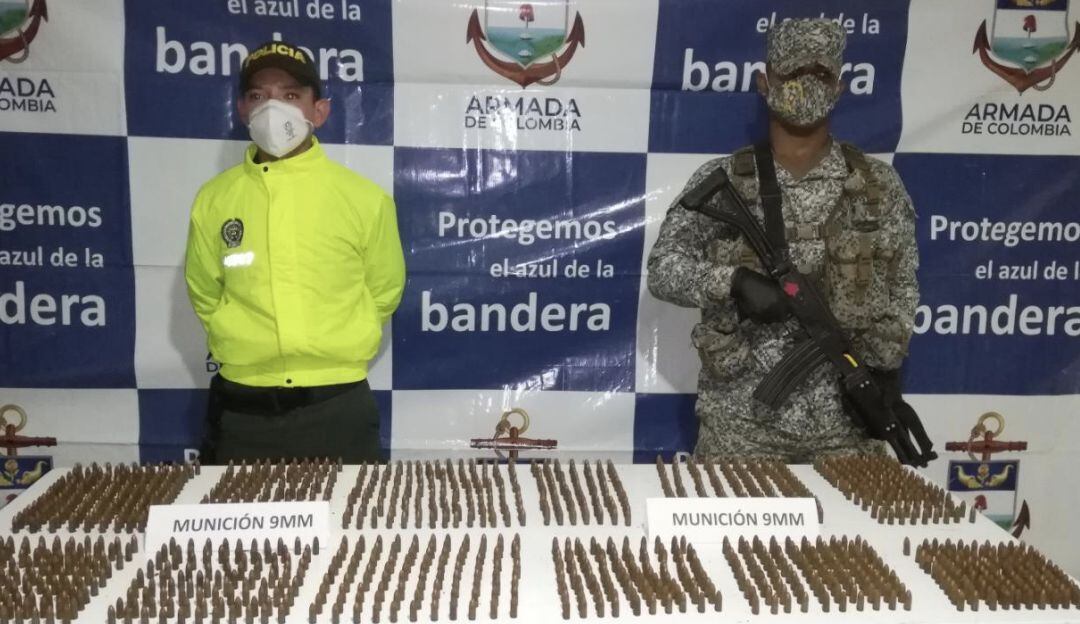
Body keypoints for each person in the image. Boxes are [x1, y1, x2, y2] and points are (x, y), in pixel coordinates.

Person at [647, 19, 919, 461]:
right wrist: (732, 281)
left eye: (821, 74)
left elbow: (902, 287)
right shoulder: (724, 181)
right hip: (741, 427)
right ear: (764, 82)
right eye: (792, 72)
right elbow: (663, 270)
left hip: (847, 427)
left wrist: (887, 373)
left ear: (839, 87)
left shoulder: (877, 186)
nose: (806, 84)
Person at [184, 41, 406, 464]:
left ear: (319, 111)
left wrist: (335, 345)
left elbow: (384, 290)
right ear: (242, 110)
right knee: (235, 513)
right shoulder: (214, 199)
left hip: (338, 407)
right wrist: (244, 341)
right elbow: (204, 291)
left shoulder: (363, 199)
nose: (273, 108)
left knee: (351, 511)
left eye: (290, 95)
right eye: (258, 95)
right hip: (242, 409)